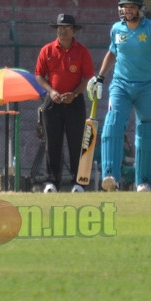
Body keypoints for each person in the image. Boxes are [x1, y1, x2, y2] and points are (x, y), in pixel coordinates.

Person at [88, 0, 151, 192]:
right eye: (124, 7)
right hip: (121, 84)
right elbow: (112, 52)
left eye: (131, 8)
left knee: (146, 130)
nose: (127, 11)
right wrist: (100, 77)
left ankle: (144, 181)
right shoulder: (116, 29)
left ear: (139, 9)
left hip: (147, 85)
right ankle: (111, 176)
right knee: (112, 123)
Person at [34, 13, 94, 193]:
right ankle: (51, 182)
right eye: (60, 27)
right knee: (52, 143)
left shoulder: (82, 51)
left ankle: (79, 183)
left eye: (66, 27)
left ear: (74, 30)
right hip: (53, 102)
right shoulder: (47, 50)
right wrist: (51, 91)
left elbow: (88, 78)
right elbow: (39, 75)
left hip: (74, 102)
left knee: (77, 143)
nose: (62, 30)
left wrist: (74, 94)